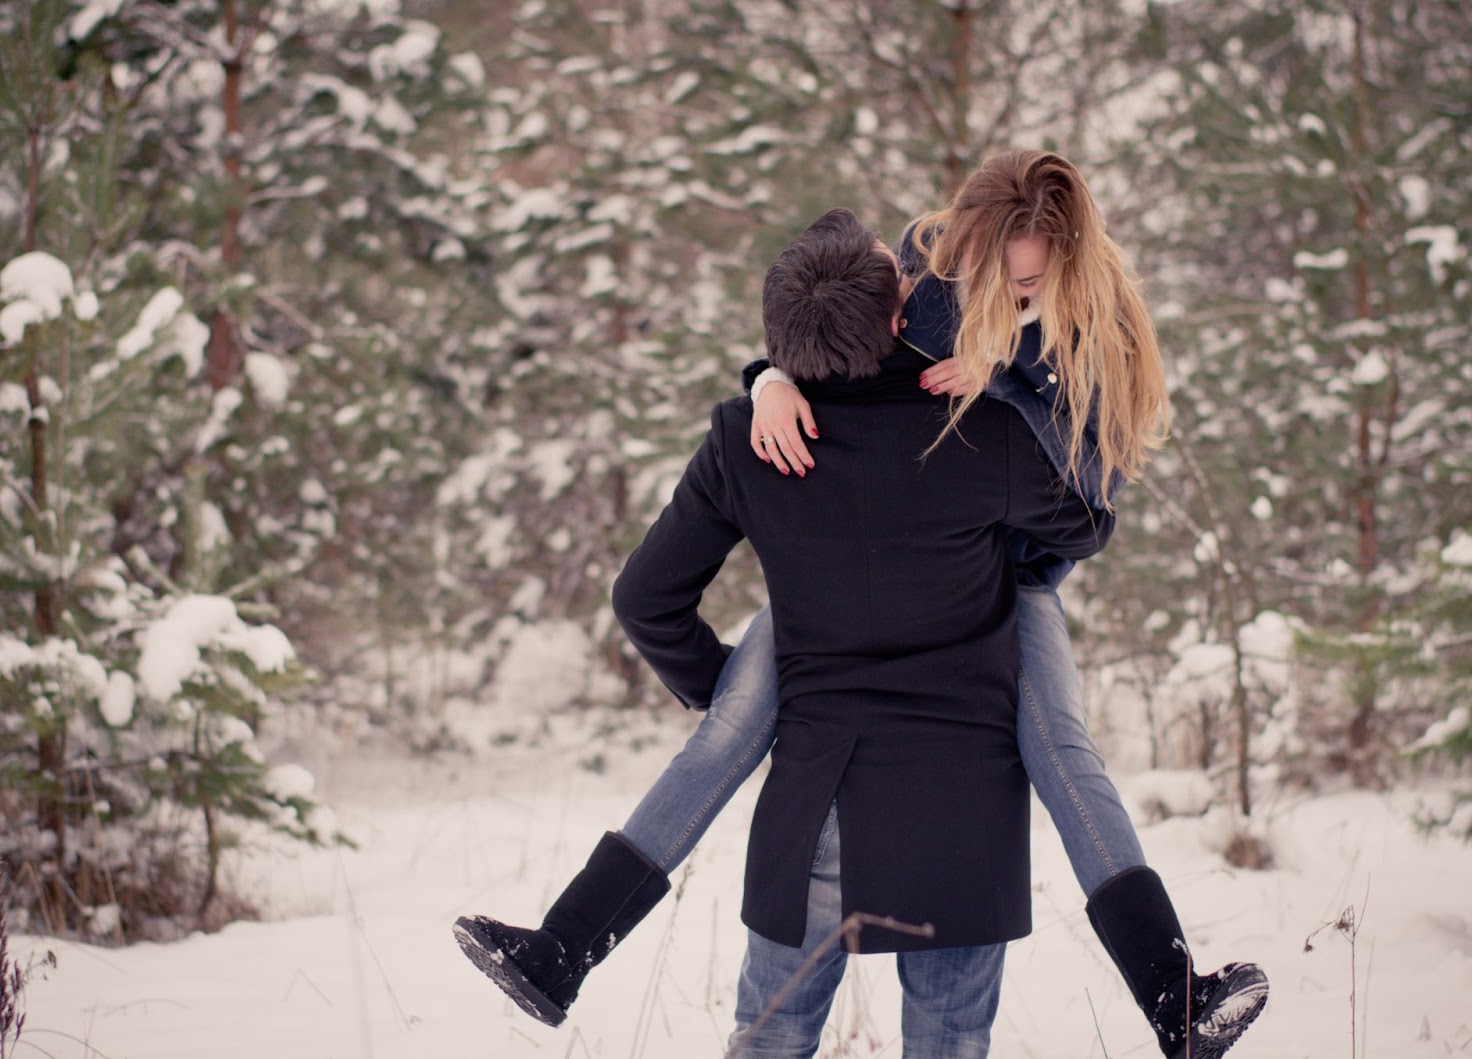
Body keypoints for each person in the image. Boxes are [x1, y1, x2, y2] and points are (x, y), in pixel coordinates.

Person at [455, 150, 1270, 1059]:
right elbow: (822, 325)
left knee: (1061, 748)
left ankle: (1173, 992)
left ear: (1074, 263)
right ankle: (561, 949)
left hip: (1005, 571)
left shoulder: (1100, 335)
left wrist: (1005, 389)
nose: (1010, 289)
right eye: (992, 273)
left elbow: (1090, 499)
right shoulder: (923, 266)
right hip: (896, 545)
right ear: (943, 258)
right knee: (732, 723)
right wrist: (767, 378)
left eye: (1035, 279)